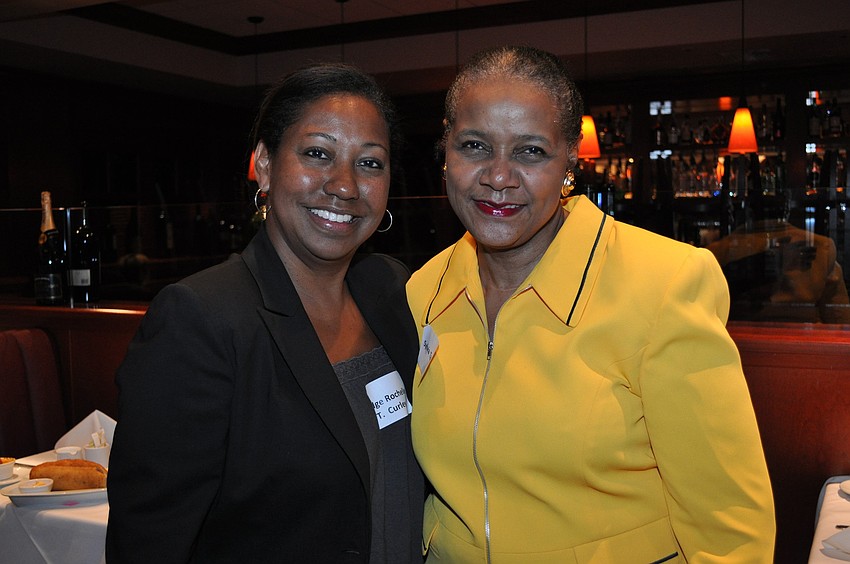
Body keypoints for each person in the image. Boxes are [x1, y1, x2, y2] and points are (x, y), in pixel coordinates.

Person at [407, 46, 775, 563]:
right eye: (474, 145)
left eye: (530, 151)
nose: (498, 176)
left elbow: (730, 530)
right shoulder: (426, 289)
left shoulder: (664, 284)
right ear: (445, 148)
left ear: (569, 158)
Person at [106, 63, 423, 563]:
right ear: (266, 165)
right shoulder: (201, 319)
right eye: (318, 154)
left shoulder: (391, 290)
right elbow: (149, 542)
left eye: (370, 163)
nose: (344, 186)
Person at [707, 191, 850, 323]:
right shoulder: (820, 246)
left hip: (736, 341)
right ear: (787, 209)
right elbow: (839, 318)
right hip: (803, 340)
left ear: (746, 209)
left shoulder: (718, 250)